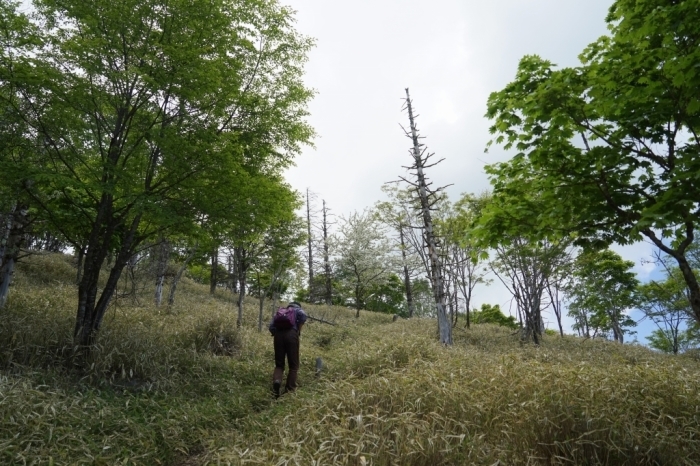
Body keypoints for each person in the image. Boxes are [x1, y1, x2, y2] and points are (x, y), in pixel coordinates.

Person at [269, 301, 307, 397]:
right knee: (293, 365)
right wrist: (298, 329)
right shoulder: (298, 310)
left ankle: (277, 381)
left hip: (278, 336)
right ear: (298, 306)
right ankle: (289, 390)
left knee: (279, 364)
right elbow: (303, 316)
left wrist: (276, 333)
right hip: (292, 335)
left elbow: (271, 327)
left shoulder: (281, 311)